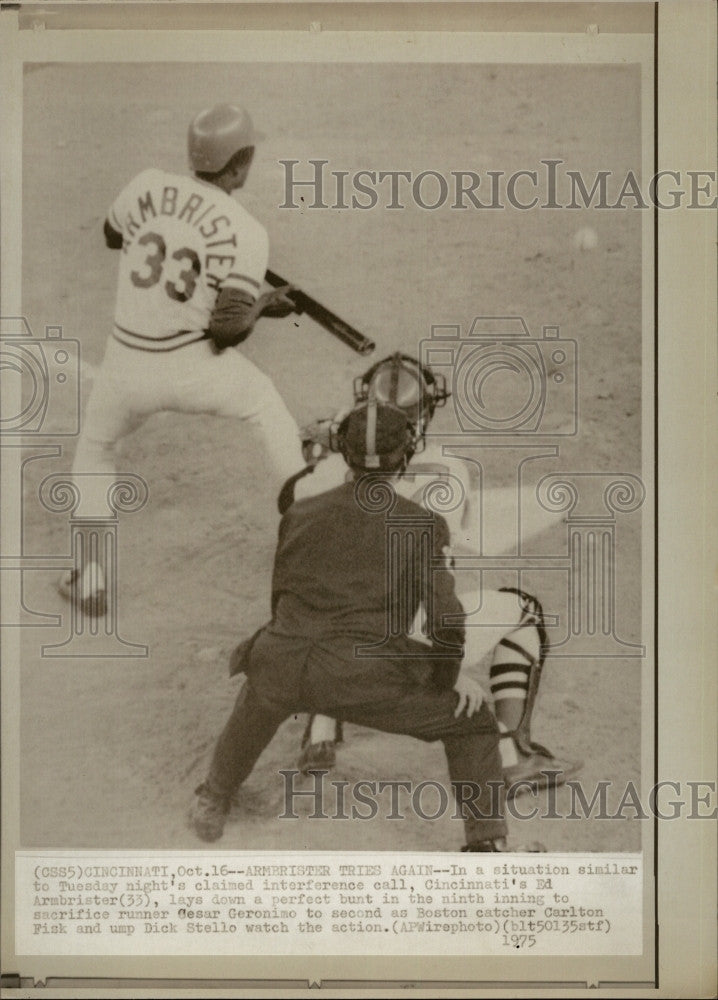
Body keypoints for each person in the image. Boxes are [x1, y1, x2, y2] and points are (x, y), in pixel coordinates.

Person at [190, 397, 543, 851]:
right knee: (472, 720)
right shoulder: (421, 524)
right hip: (361, 678)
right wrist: (448, 681)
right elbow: (447, 622)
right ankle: (486, 845)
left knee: (263, 685)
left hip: (285, 658)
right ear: (407, 456)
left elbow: (282, 597)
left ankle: (213, 796)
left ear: (344, 454)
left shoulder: (301, 512)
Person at [288, 353, 581, 796]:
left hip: (327, 651)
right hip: (408, 650)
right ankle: (510, 758)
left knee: (331, 592)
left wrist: (322, 449)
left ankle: (320, 733)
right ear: (421, 415)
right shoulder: (450, 470)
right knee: (524, 613)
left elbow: (291, 502)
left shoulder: (322, 473)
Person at [58, 103, 303, 615]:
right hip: (194, 369)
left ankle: (91, 576)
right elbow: (228, 328)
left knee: (96, 450)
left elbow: (111, 235)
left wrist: (173, 234)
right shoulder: (246, 230)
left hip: (123, 369)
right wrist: (263, 304)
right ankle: (308, 533)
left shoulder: (145, 183)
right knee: (264, 405)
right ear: (241, 163)